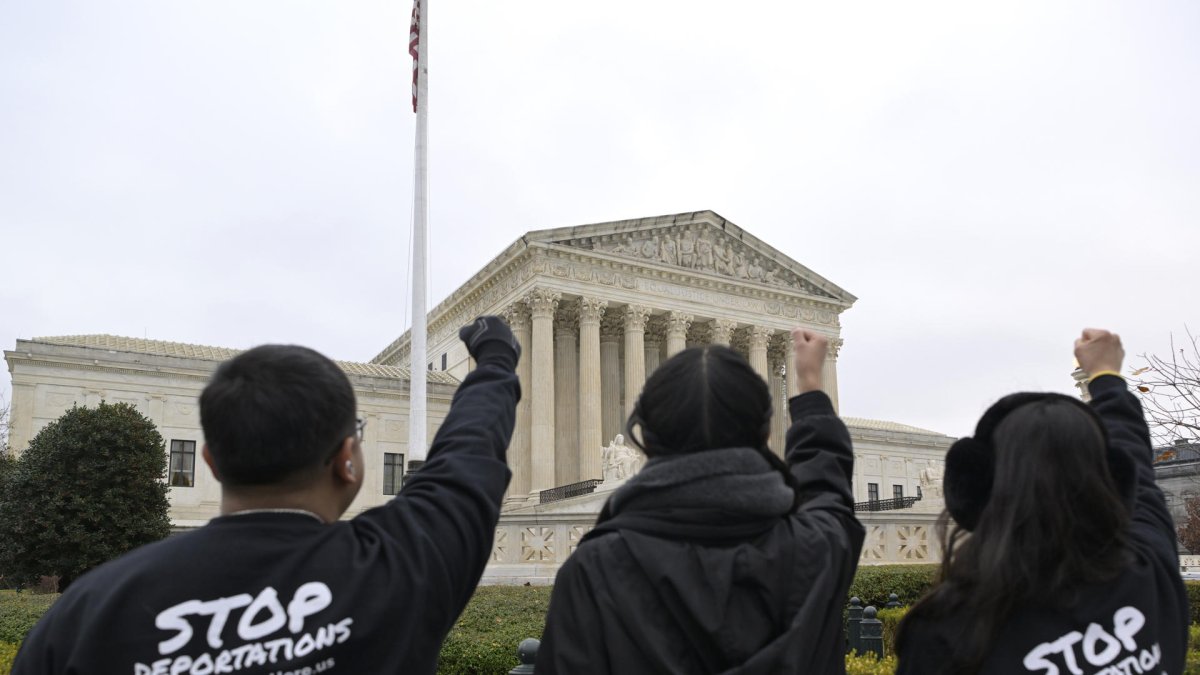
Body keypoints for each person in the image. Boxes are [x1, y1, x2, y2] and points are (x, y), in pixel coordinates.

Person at [13, 316, 522, 675]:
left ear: (210, 459)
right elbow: (468, 454)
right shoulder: (401, 568)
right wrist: (495, 360)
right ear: (348, 460)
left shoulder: (83, 617)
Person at [537, 329, 865, 674]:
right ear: (768, 433)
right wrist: (811, 387)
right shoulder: (816, 551)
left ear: (645, 437)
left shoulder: (593, 570)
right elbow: (826, 485)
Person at [896, 328, 1188, 674]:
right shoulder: (1149, 571)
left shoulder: (948, 634)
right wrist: (1106, 376)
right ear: (1113, 483)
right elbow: (1135, 462)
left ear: (975, 495)